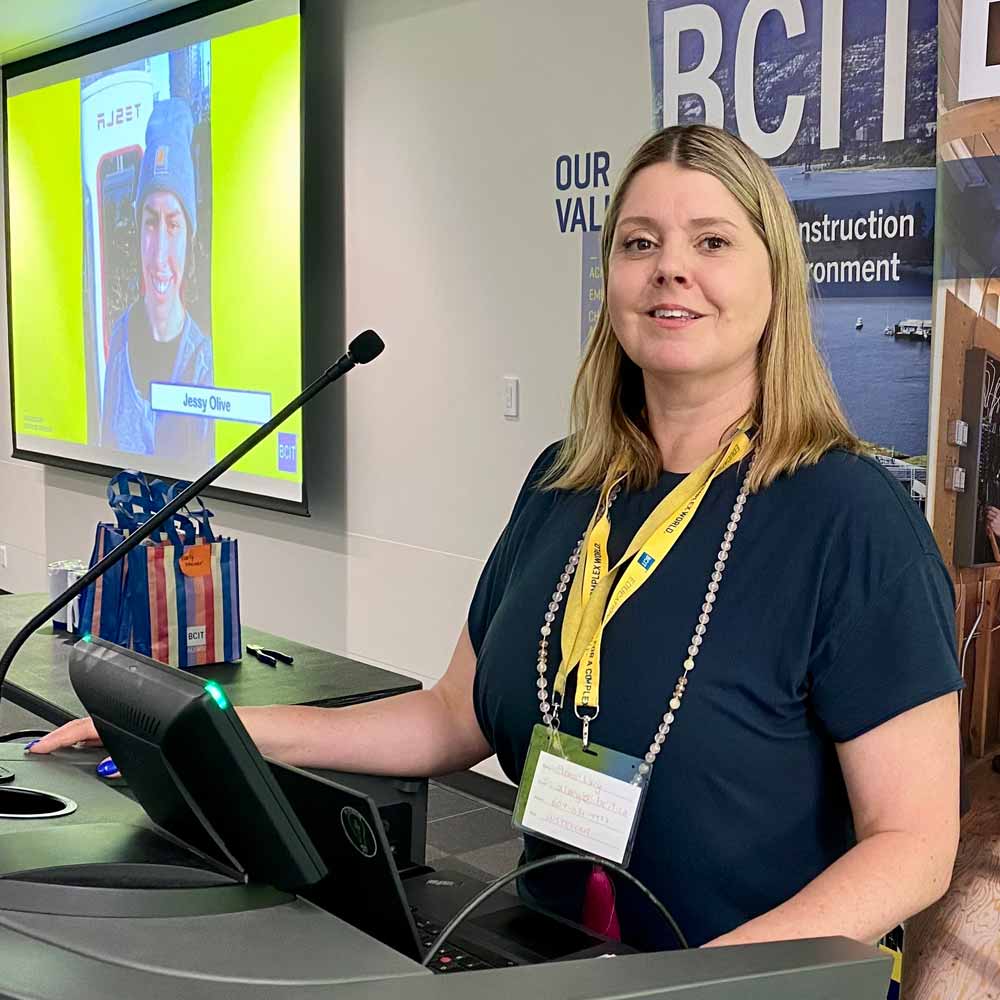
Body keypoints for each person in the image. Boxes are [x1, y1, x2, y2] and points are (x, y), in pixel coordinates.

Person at [36, 124, 961, 952]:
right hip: (551, 956)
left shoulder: (849, 517)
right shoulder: (564, 484)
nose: (670, 269)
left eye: (712, 242)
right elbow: (453, 714)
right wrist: (217, 729)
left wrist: (707, 987)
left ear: (777, 277)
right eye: (639, 243)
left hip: (743, 985)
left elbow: (915, 844)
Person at [100, 98, 214, 465]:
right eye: (150, 222)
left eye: (173, 224)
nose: (160, 251)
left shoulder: (203, 363)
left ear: (189, 237)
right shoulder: (120, 338)